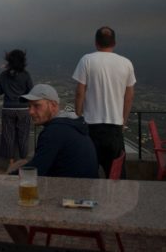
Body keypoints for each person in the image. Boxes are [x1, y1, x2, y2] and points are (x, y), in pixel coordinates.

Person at [72, 26, 135, 177]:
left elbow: (80, 92)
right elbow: (129, 97)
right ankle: (116, 200)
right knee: (116, 175)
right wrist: (123, 122)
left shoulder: (86, 60)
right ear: (114, 43)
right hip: (114, 128)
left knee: (88, 171)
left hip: (91, 127)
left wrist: (78, 115)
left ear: (96, 43)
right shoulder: (126, 63)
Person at [8, 84, 98, 178]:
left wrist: (7, 178)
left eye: (36, 105)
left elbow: (36, 171)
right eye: (29, 106)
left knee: (16, 168)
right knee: (21, 163)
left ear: (53, 106)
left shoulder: (54, 132)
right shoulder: (69, 125)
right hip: (86, 186)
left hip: (71, 190)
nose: (30, 111)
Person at [0, 49, 34, 165]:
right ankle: (23, 161)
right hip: (23, 109)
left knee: (8, 135)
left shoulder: (3, 75)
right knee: (23, 135)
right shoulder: (26, 75)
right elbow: (31, 92)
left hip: (8, 109)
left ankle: (11, 163)